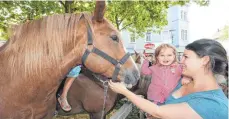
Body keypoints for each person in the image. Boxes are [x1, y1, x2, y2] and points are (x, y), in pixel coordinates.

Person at [109, 39, 228, 119]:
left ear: (205, 60)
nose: (180, 61)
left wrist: (125, 91)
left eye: (185, 57)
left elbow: (158, 111)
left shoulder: (214, 104)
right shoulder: (184, 81)